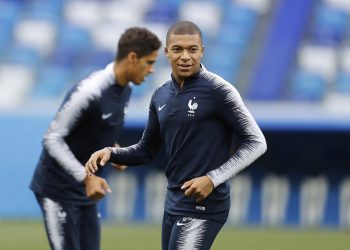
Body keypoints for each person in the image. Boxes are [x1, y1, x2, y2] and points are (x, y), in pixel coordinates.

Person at [85, 21, 267, 250]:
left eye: (192, 49)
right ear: (166, 52)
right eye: (178, 49)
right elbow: (146, 149)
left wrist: (213, 178)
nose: (185, 56)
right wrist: (111, 153)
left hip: (205, 205)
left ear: (202, 51)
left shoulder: (219, 90)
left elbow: (257, 142)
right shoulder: (160, 95)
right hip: (173, 203)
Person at [30, 27, 162, 250]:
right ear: (132, 57)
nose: (151, 70)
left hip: (84, 193)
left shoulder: (126, 90)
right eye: (149, 62)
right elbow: (52, 139)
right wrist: (86, 177)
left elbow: (99, 133)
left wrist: (115, 153)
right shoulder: (89, 91)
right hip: (57, 190)